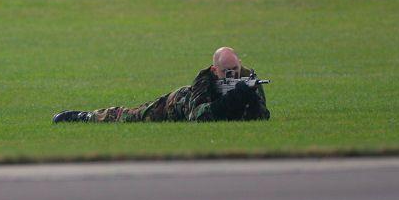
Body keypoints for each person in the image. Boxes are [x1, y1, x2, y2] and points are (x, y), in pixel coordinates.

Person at [53, 47, 270, 123]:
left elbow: (262, 116)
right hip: (176, 105)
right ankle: (85, 117)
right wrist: (233, 99)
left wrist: (248, 97)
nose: (232, 75)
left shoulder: (248, 80)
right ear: (215, 70)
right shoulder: (204, 81)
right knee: (131, 115)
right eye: (226, 72)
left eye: (235, 69)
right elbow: (200, 117)